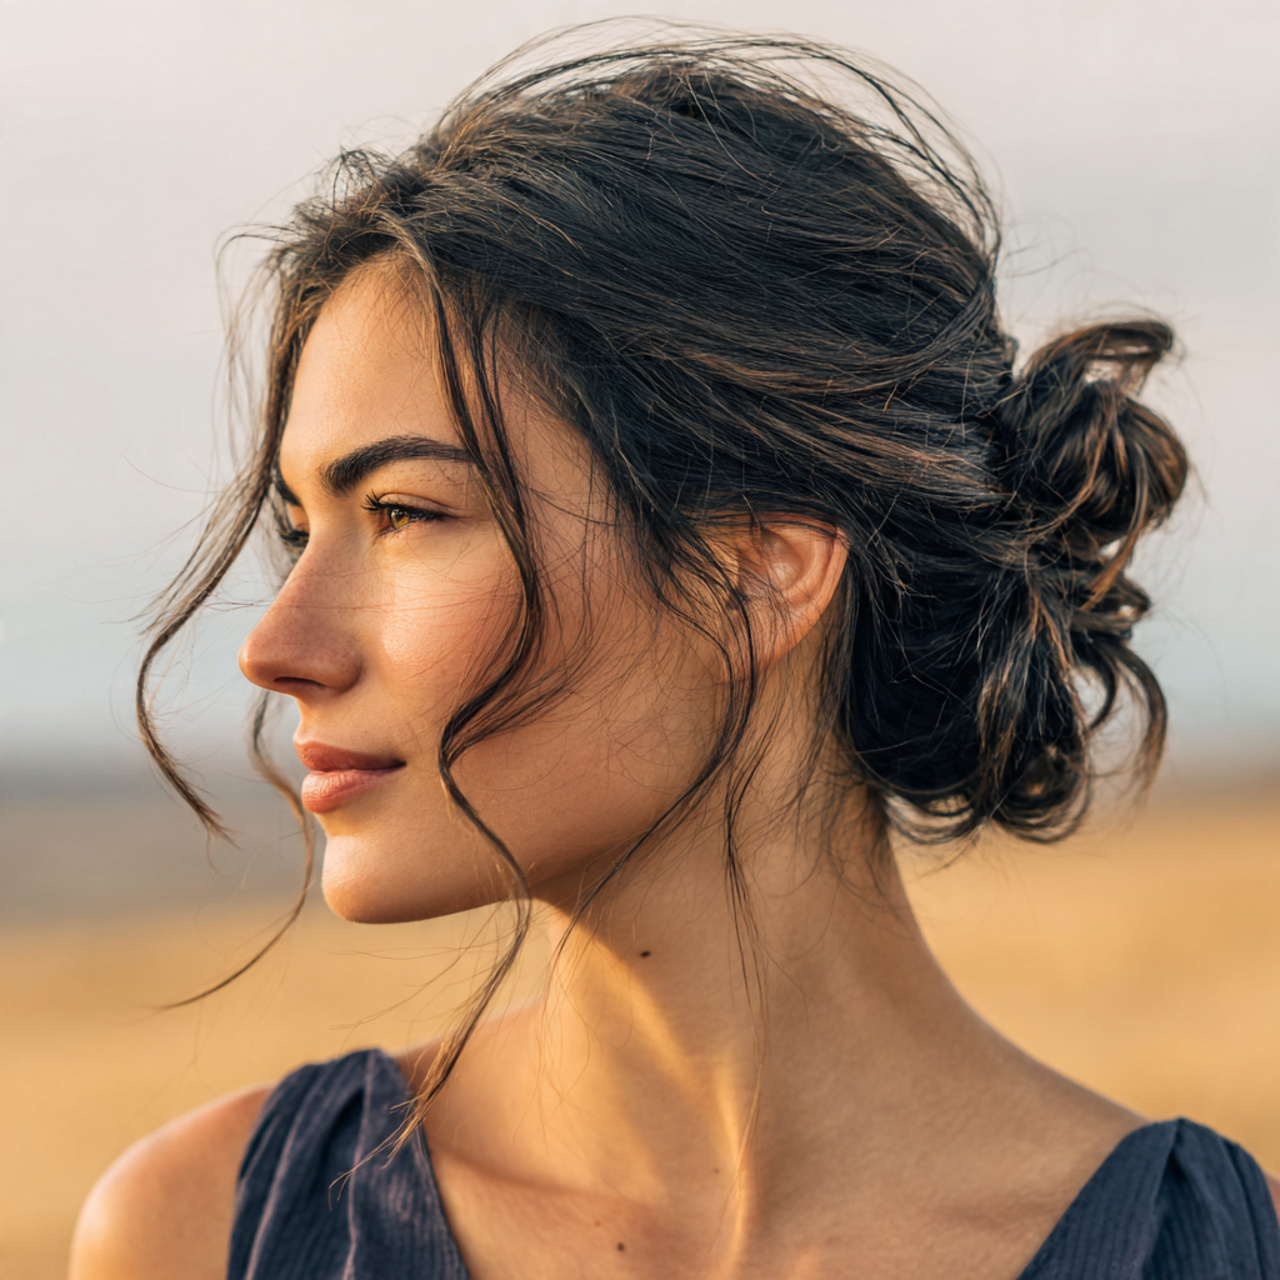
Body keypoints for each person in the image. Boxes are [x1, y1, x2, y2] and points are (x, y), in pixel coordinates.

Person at [70, 29, 1280, 1280]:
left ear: (759, 572)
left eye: (405, 515)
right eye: (298, 528)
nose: (276, 645)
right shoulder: (202, 1231)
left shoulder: (1220, 1253)